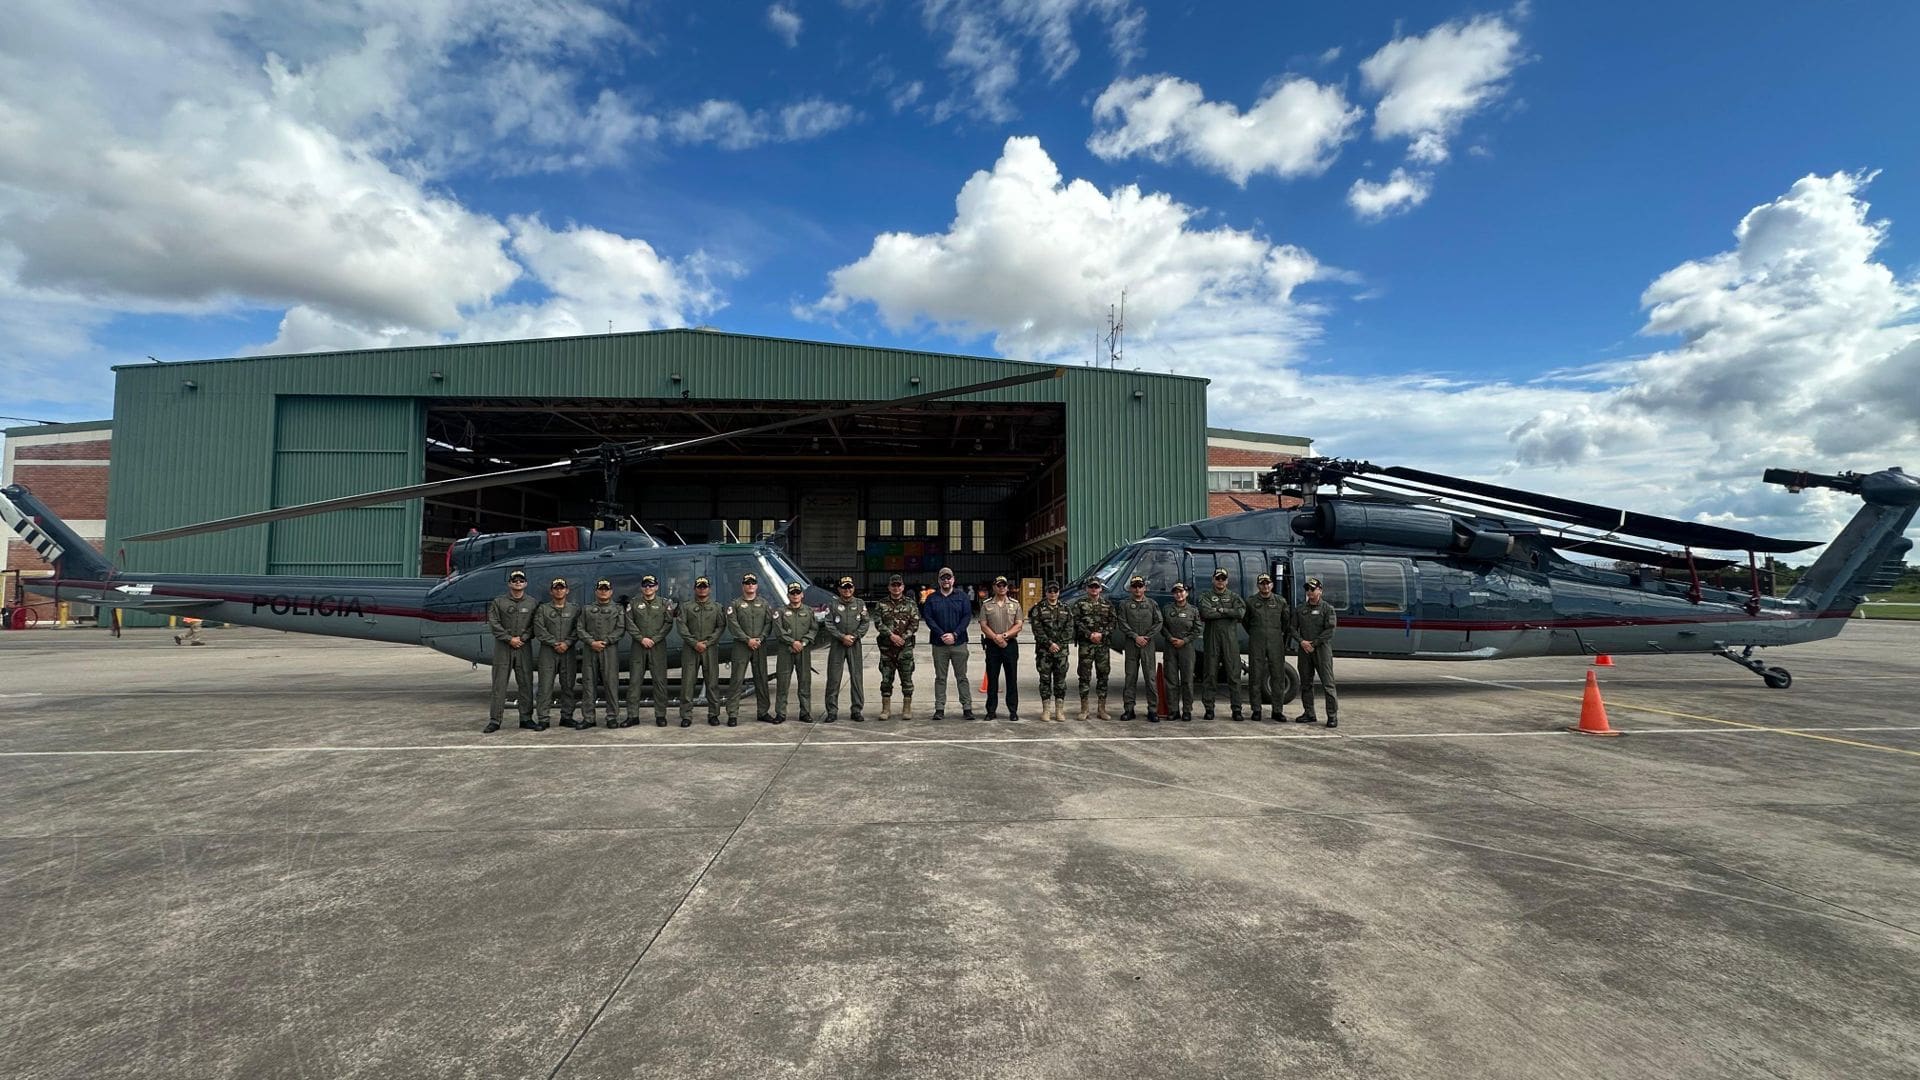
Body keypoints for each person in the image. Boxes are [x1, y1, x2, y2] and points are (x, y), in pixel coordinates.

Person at [484, 569, 539, 733]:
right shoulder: (499, 602)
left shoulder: (532, 602)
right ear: (509, 583)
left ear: (526, 583)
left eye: (521, 580)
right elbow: (494, 623)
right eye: (514, 580)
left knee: (525, 684)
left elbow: (535, 624)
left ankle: (526, 718)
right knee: (499, 685)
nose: (518, 582)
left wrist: (523, 638)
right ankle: (495, 720)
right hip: (503, 647)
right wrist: (509, 639)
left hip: (523, 646)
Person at [922, 566, 975, 721]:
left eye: (948, 578)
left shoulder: (962, 597)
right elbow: (929, 618)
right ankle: (939, 708)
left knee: (962, 677)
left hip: (959, 643)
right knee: (940, 677)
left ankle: (967, 707)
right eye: (943, 578)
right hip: (939, 644)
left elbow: (966, 617)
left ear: (953, 579)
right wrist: (941, 634)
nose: (946, 580)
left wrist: (955, 634)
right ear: (939, 580)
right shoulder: (932, 598)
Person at [576, 579, 627, 728]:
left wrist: (606, 641)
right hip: (590, 649)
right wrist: (591, 642)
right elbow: (580, 628)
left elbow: (620, 628)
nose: (603, 591)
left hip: (609, 649)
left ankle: (612, 717)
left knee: (611, 683)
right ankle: (589, 717)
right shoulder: (586, 609)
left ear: (611, 592)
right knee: (588, 683)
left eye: (606, 589)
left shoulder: (617, 609)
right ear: (596, 591)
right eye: (601, 589)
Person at [1198, 568, 1247, 720]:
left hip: (1230, 641)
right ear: (1213, 580)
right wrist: (1228, 612)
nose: (1220, 581)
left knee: (1234, 675)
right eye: (1217, 578)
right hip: (1212, 639)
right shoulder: (1205, 596)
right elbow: (1205, 613)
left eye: (1223, 578)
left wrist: (1219, 609)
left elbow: (1240, 613)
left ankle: (1237, 709)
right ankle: (1209, 708)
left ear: (1227, 581)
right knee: (1210, 674)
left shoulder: (1234, 596)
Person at [727, 572, 776, 724]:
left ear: (756, 585)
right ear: (743, 586)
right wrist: (747, 639)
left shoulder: (764, 604)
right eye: (747, 583)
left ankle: (763, 711)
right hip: (741, 646)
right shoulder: (734, 604)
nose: (750, 585)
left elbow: (769, 623)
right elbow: (733, 625)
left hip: (759, 646)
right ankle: (733, 714)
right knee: (737, 679)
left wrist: (760, 638)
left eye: (752, 583)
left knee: (761, 678)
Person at [625, 574, 673, 727]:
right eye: (645, 585)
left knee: (659, 682)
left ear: (656, 587)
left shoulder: (665, 603)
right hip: (638, 646)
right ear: (641, 588)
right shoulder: (633, 604)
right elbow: (629, 622)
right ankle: (633, 715)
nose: (648, 588)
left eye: (651, 585)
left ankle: (660, 715)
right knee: (634, 682)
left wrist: (655, 639)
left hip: (657, 646)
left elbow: (668, 623)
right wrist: (641, 638)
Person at [871, 573, 921, 720]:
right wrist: (891, 636)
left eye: (899, 585)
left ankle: (907, 708)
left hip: (905, 648)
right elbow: (878, 623)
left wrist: (903, 637)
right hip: (887, 648)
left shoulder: (910, 604)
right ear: (889, 587)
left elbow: (915, 623)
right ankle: (886, 709)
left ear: (903, 587)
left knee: (907, 679)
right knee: (886, 680)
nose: (896, 588)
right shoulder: (881, 604)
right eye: (893, 585)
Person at [1114, 574, 1163, 721]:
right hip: (1131, 644)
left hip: (1148, 644)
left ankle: (1153, 710)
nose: (1137, 589)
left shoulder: (1152, 604)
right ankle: (1129, 709)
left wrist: (1147, 637)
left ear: (1144, 588)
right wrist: (1135, 637)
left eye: (1140, 586)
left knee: (1150, 678)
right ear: (1130, 588)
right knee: (1130, 677)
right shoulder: (1125, 605)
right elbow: (1122, 623)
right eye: (1134, 586)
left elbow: (1159, 621)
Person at [532, 578, 580, 729]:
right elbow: (539, 630)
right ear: (551, 591)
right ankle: (543, 719)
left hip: (568, 651)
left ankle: (566, 717)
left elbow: (578, 629)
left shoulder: (574, 609)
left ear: (567, 590)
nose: (559, 590)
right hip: (548, 651)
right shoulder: (543, 609)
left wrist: (567, 643)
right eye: (556, 588)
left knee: (568, 685)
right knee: (545, 686)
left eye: (562, 588)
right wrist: (554, 643)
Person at [1243, 572, 1291, 722]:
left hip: (1275, 642)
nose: (1265, 586)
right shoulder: (1250, 602)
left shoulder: (1280, 601)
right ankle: (1256, 709)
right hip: (1256, 641)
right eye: (1262, 583)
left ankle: (1277, 710)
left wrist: (1276, 634)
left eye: (1267, 583)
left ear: (1272, 585)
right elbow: (1246, 621)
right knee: (1255, 676)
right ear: (1258, 585)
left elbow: (1286, 622)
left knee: (1278, 676)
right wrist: (1256, 633)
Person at [1293, 576, 1339, 728]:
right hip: (1304, 650)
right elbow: (1292, 628)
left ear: (1320, 590)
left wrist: (1314, 643)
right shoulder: (1300, 609)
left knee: (1328, 684)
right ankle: (1309, 713)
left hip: (1321, 650)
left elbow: (1330, 631)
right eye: (1307, 589)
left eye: (1313, 589)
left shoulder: (1327, 609)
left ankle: (1332, 716)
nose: (1310, 592)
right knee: (1306, 683)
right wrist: (1301, 642)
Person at [678, 576, 725, 726]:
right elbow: (682, 627)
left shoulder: (717, 607)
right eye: (699, 586)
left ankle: (713, 714)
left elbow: (720, 626)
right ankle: (686, 715)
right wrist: (694, 642)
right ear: (695, 589)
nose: (702, 589)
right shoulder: (686, 607)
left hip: (709, 648)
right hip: (691, 649)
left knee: (712, 682)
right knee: (687, 683)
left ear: (709, 589)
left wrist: (709, 642)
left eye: (705, 586)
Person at [822, 575, 870, 722]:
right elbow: (828, 623)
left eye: (849, 587)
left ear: (853, 588)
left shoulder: (860, 604)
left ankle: (856, 710)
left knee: (856, 677)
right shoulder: (832, 605)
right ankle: (831, 711)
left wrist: (854, 637)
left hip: (854, 644)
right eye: (844, 587)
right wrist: (842, 636)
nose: (847, 590)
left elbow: (865, 622)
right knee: (834, 678)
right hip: (838, 644)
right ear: (839, 589)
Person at [1071, 577, 1118, 720]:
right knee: (1084, 676)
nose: (1094, 589)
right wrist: (1089, 634)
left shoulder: (1107, 604)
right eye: (1091, 587)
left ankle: (1101, 709)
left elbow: (1113, 622)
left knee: (1103, 676)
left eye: (1096, 587)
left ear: (1101, 589)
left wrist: (1101, 634)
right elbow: (1076, 621)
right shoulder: (1080, 604)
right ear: (1087, 588)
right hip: (1086, 645)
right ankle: (1084, 709)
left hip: (1102, 645)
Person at [980, 575, 1024, 721]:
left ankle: (1013, 710)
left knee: (1011, 679)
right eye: (999, 585)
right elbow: (983, 625)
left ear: (1007, 587)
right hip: (992, 645)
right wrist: (996, 638)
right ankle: (991, 710)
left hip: (1009, 645)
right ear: (994, 587)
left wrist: (1004, 636)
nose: (1002, 588)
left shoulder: (1015, 604)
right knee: (992, 679)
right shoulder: (986, 604)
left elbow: (1018, 625)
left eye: (1004, 585)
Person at [1028, 580, 1073, 722]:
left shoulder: (1066, 608)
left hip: (1061, 652)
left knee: (1060, 681)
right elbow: (1037, 629)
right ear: (1046, 592)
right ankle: (1046, 710)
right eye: (1050, 591)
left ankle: (1059, 710)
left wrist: (1058, 644)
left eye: (1055, 591)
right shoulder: (1038, 608)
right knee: (1045, 680)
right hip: (1044, 652)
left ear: (1059, 592)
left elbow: (1069, 628)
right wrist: (1049, 644)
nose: (1053, 593)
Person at [774, 581, 817, 723]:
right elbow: (778, 631)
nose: (795, 595)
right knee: (783, 683)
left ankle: (805, 712)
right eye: (792, 593)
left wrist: (802, 643)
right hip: (786, 651)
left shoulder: (809, 611)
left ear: (802, 594)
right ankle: (780, 713)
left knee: (804, 682)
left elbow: (814, 629)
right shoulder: (780, 612)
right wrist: (792, 642)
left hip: (803, 651)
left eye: (797, 592)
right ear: (788, 595)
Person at [1160, 583, 1201, 722]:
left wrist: (1185, 640)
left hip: (1186, 648)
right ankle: (1173, 710)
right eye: (1176, 592)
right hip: (1170, 647)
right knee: (1171, 680)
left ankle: (1187, 710)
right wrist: (1170, 638)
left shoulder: (1193, 611)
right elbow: (1162, 626)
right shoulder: (1166, 609)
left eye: (1181, 591)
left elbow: (1197, 629)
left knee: (1187, 680)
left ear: (1187, 593)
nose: (1179, 594)